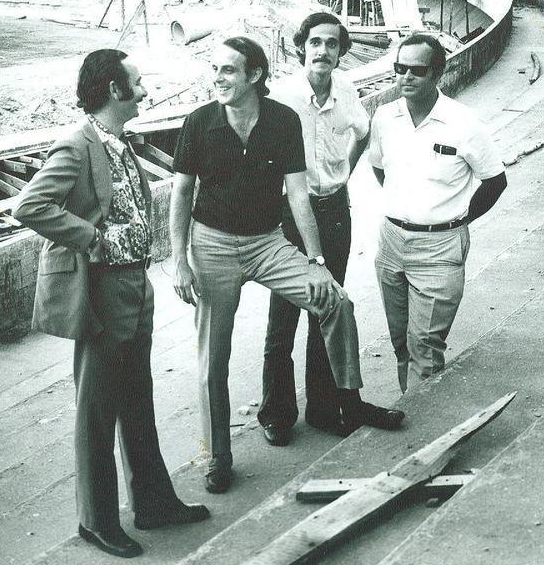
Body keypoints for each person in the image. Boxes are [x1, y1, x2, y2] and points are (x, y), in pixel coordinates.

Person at [168, 36, 404, 494]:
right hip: (213, 246)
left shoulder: (281, 120)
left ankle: (349, 401)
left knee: (336, 301)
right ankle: (218, 455)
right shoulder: (199, 122)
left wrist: (316, 262)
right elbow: (181, 192)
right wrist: (180, 260)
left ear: (254, 75)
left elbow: (298, 194)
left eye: (228, 70)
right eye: (215, 69)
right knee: (213, 357)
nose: (218, 78)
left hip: (267, 242)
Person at [13, 49, 210, 560]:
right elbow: (29, 205)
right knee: (98, 410)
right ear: (114, 90)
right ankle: (96, 521)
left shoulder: (119, 141)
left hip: (134, 285)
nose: (144, 91)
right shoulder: (76, 146)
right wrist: (90, 238)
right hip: (101, 291)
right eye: (137, 83)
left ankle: (154, 504)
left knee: (137, 400)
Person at [370, 34, 507, 392]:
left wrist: (458, 218)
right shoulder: (385, 117)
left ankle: (421, 422)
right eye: (400, 68)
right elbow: (380, 168)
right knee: (401, 342)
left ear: (437, 73)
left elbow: (495, 181)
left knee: (425, 347)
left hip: (440, 249)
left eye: (417, 70)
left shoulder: (463, 123)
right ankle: (410, 404)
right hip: (391, 242)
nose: (406, 77)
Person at [257, 13, 369, 446]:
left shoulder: (347, 91)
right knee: (283, 315)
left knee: (329, 308)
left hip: (335, 210)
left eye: (332, 43)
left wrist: (345, 172)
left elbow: (363, 131)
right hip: (291, 213)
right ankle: (276, 413)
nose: (323, 51)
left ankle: (322, 408)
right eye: (316, 42)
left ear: (341, 51)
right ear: (302, 46)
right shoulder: (282, 96)